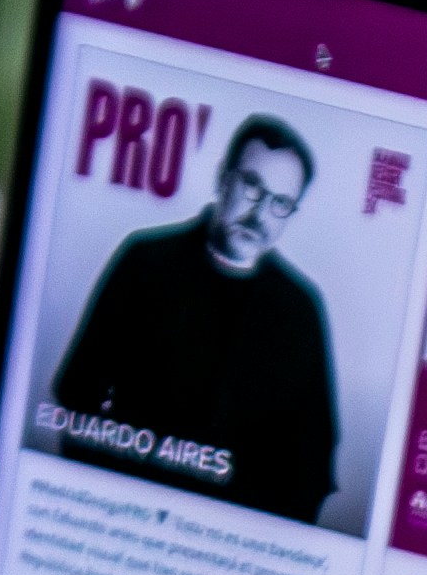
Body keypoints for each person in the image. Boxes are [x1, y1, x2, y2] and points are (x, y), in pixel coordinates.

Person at [43, 115, 341, 525]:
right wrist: (107, 503)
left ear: (291, 212)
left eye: (281, 202)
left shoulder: (302, 310)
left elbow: (313, 465)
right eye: (252, 186)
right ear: (223, 179)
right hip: (125, 524)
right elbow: (77, 392)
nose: (261, 213)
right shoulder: (144, 261)